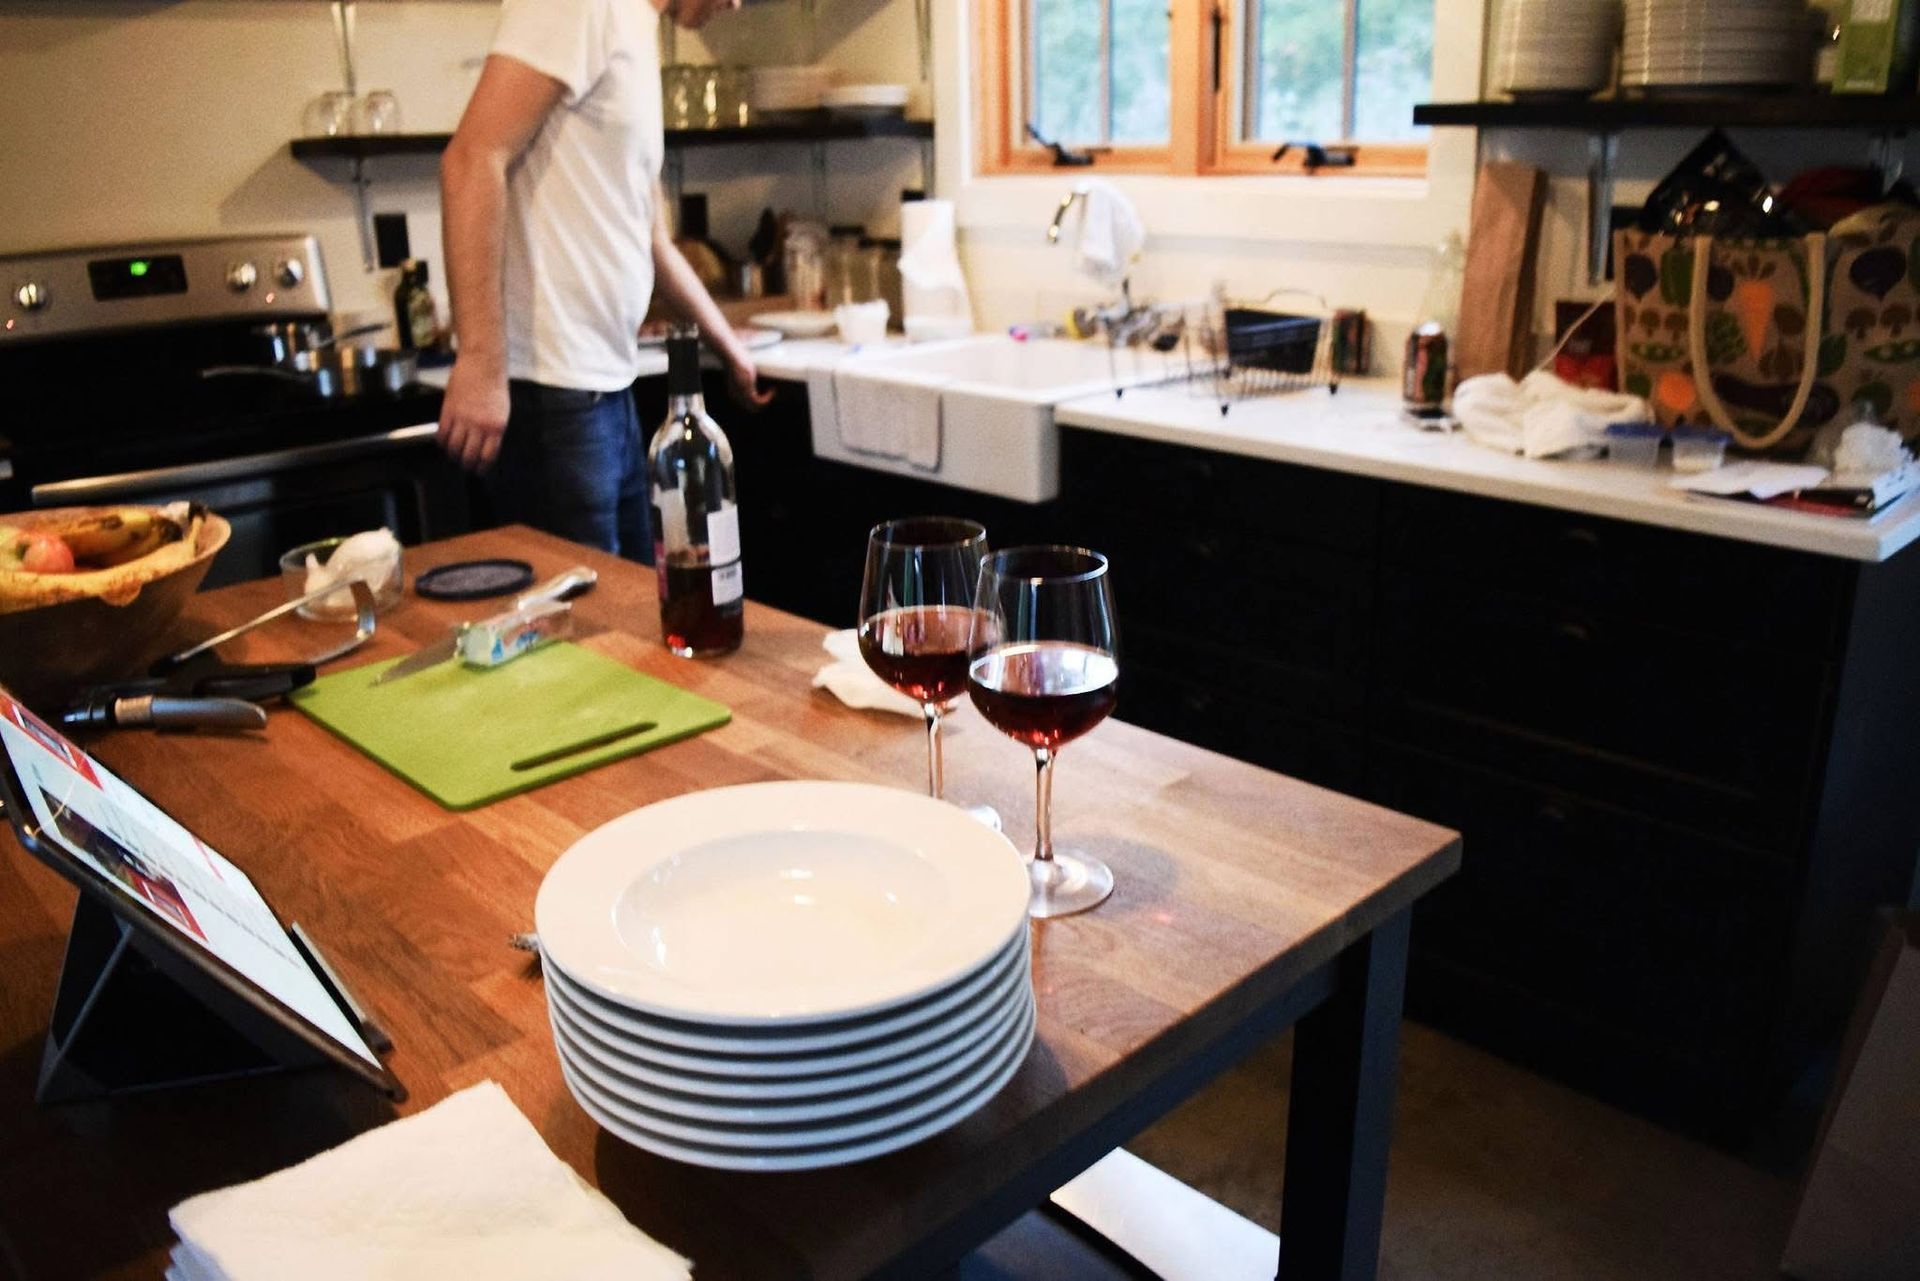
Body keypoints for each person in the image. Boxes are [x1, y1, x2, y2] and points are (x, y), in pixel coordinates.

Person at [437, 0, 771, 560]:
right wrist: (479, 361)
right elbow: (472, 159)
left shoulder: (634, 29)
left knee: (626, 616)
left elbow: (651, 237)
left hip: (606, 388)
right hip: (549, 390)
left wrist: (729, 347)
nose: (737, 4)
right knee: (581, 627)